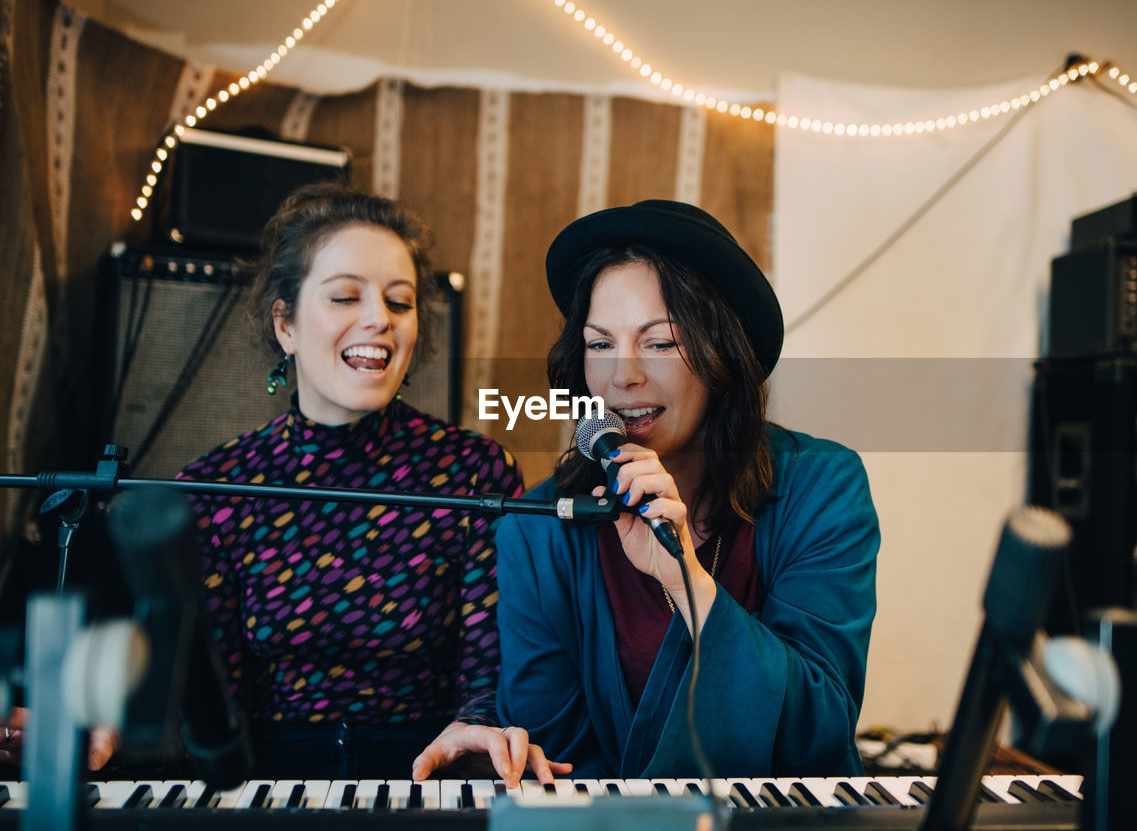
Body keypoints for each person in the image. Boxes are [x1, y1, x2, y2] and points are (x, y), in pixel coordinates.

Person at [174, 183, 567, 785]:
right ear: (285, 324)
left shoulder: (474, 471)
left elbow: (490, 672)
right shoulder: (217, 488)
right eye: (344, 296)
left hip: (427, 775)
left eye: (400, 302)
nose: (380, 319)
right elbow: (209, 702)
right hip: (269, 785)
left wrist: (480, 724)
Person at [496, 199, 880, 779]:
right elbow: (557, 755)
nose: (623, 375)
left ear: (723, 355)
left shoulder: (821, 486)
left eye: (660, 342)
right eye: (600, 344)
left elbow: (819, 732)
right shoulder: (537, 525)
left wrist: (686, 579)